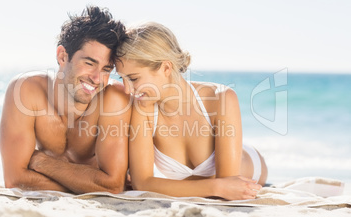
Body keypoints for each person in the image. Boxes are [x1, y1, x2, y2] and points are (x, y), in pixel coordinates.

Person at [115, 22, 268, 200]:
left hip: (250, 164)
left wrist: (219, 186)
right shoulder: (143, 107)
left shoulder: (220, 98)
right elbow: (142, 183)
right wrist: (217, 186)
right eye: (122, 78)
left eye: (133, 78)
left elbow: (229, 183)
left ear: (166, 68)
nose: (127, 89)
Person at [0, 5, 131, 194]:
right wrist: (90, 180)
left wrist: (41, 162)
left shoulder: (113, 99)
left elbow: (113, 186)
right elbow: (15, 180)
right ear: (62, 56)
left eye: (106, 70)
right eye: (89, 63)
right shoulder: (26, 91)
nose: (96, 78)